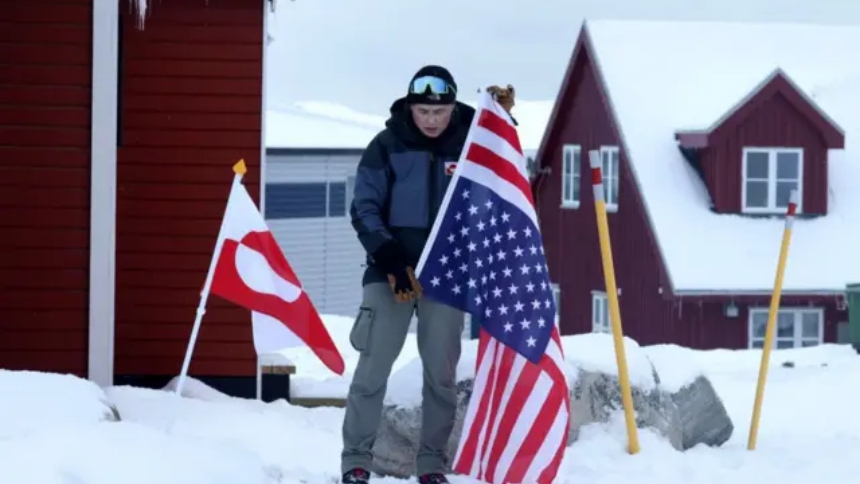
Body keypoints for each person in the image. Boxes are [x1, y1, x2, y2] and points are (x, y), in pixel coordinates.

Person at [341, 65, 516, 484]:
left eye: (440, 111)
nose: (432, 119)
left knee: (440, 376)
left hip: (447, 275)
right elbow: (363, 207)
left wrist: (504, 120)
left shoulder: (472, 144)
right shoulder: (386, 146)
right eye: (423, 111)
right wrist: (390, 258)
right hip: (390, 271)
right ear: (410, 107)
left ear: (453, 107)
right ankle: (356, 460)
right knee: (372, 370)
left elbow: (504, 172)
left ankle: (432, 463)